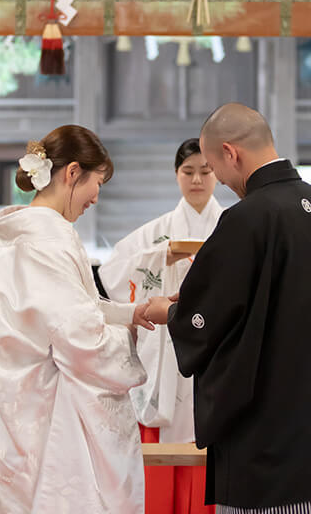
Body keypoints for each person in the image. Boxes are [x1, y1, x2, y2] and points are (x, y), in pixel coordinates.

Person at [144, 104, 311, 514]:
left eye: (212, 167)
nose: (217, 180)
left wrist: (170, 313)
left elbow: (204, 320)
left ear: (231, 153)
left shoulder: (248, 218)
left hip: (271, 443)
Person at [0, 124, 170, 514]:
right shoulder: (48, 244)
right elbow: (82, 339)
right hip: (52, 420)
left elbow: (74, 306)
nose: (96, 197)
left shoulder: (20, 237)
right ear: (72, 173)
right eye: (98, 182)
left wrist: (133, 313)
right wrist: (133, 337)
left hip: (17, 414)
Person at [99, 138, 224, 514]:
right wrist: (163, 254)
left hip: (215, 350)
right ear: (176, 175)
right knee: (161, 442)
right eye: (188, 171)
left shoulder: (232, 226)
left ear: (217, 173)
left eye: (205, 171)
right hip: (165, 351)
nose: (197, 179)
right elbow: (112, 271)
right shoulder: (156, 233)